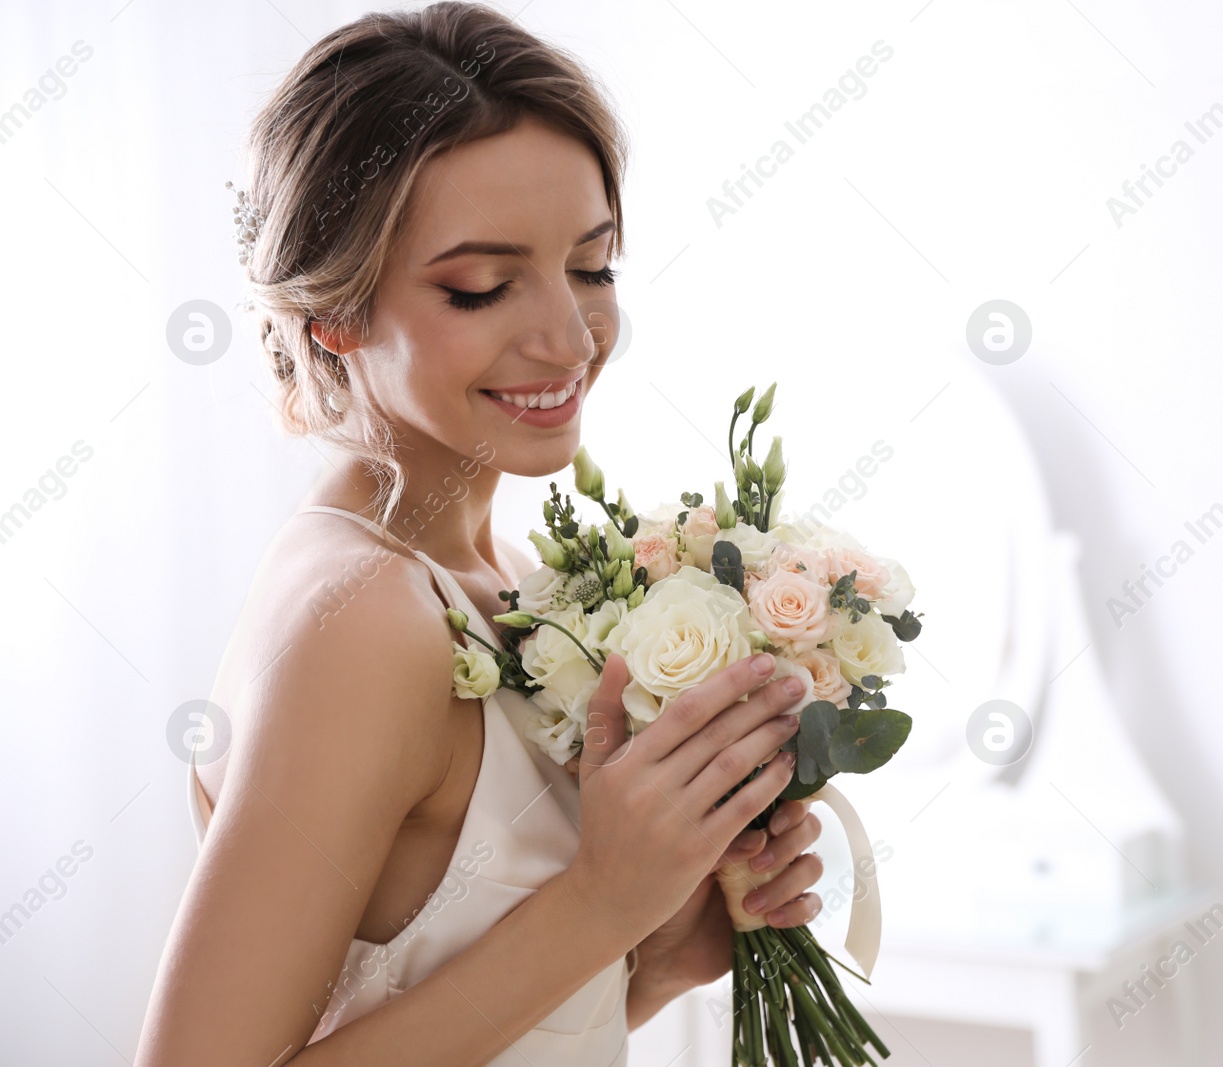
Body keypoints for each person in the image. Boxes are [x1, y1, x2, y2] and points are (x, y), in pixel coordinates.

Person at [136, 4, 824, 1064]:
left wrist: (672, 932)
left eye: (592, 268)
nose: (568, 337)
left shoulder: (493, 573)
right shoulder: (361, 618)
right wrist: (600, 900)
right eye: (481, 285)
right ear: (336, 313)